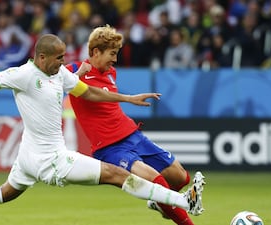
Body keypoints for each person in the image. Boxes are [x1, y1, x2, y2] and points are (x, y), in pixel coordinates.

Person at [0, 34, 204, 225]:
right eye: (59, 57)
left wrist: (127, 98)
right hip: (51, 160)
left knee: (4, 192)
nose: (65, 62)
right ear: (42, 57)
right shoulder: (21, 75)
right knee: (118, 175)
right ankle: (182, 201)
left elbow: (91, 93)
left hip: (28, 157)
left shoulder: (60, 75)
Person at [66, 25, 205, 225]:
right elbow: (56, 82)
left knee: (180, 178)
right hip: (110, 148)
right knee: (155, 180)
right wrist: (78, 74)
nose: (115, 59)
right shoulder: (73, 70)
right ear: (96, 52)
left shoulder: (111, 72)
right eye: (112, 53)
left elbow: (106, 98)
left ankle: (160, 202)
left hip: (133, 136)